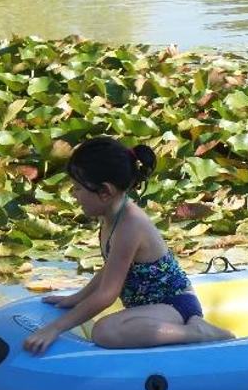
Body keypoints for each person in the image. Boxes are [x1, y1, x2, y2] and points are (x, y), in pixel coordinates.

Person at [23, 136, 234, 355]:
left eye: (78, 189)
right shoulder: (111, 215)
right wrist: (77, 297)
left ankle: (198, 332)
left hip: (175, 306)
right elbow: (112, 267)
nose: (74, 196)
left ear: (105, 191)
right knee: (107, 328)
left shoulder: (130, 224)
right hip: (150, 309)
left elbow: (108, 295)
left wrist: (55, 328)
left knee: (105, 331)